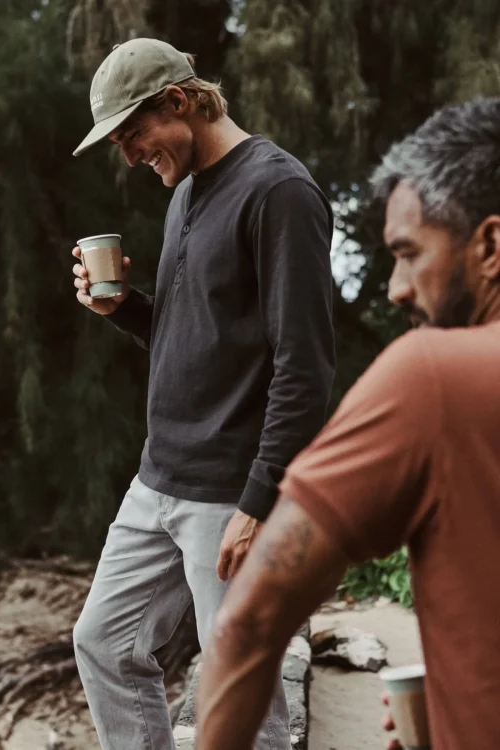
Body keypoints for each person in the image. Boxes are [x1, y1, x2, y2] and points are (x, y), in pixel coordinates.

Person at [195, 95, 500, 750]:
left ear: (491, 244)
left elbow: (247, 625)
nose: (394, 287)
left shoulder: (435, 379)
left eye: (409, 252)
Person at [70, 38, 335, 750]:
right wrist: (121, 307)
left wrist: (259, 501)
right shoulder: (186, 190)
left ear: (180, 101)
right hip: (157, 480)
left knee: (244, 702)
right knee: (101, 643)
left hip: (228, 495)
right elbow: (196, 336)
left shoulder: (279, 191)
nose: (130, 157)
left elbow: (304, 367)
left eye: (135, 136)